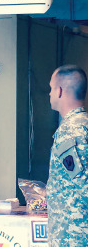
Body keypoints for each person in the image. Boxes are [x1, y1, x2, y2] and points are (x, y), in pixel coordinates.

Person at [46, 65, 88, 246]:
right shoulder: (83, 124)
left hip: (72, 234)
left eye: (50, 88)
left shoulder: (71, 131)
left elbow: (82, 185)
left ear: (59, 90)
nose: (49, 94)